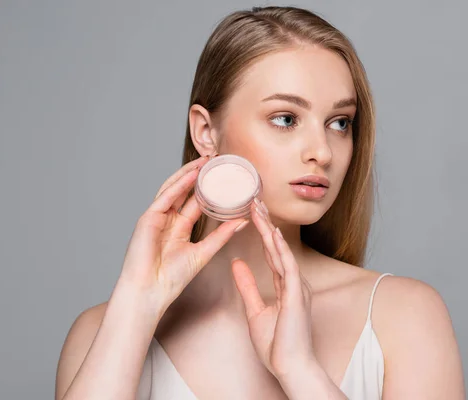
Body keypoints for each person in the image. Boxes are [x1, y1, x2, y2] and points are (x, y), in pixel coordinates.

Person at [55, 6, 465, 399]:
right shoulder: (103, 332)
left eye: (340, 123)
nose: (322, 151)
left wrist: (299, 371)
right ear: (205, 132)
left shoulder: (405, 316)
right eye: (286, 119)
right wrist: (137, 306)